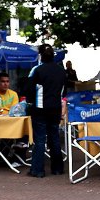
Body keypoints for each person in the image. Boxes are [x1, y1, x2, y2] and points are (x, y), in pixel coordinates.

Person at [26, 44, 66, 178]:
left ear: (40, 55)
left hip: (40, 109)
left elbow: (30, 91)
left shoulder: (36, 70)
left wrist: (29, 103)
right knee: (54, 137)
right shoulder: (61, 71)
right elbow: (64, 91)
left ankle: (37, 170)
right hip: (55, 108)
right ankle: (58, 168)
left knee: (40, 139)